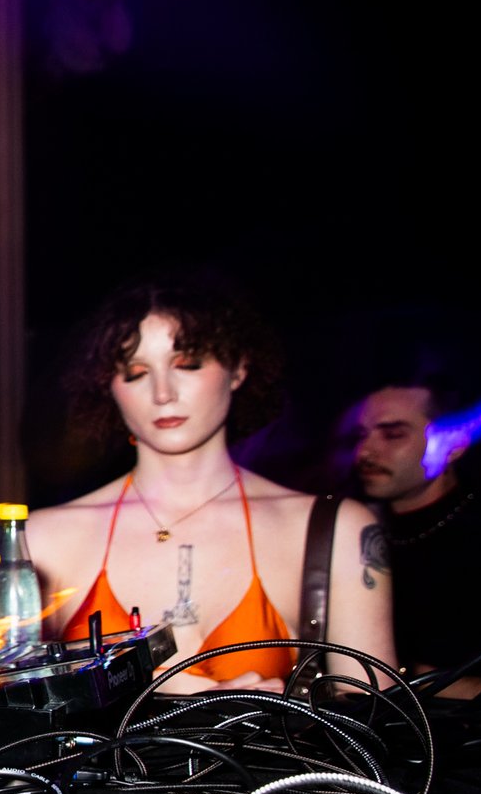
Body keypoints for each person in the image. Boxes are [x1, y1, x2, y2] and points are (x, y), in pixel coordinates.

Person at [33, 279, 394, 693]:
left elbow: (373, 718)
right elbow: (4, 717)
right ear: (108, 386)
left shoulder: (336, 529)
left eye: (188, 363)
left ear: (238, 368)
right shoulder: (41, 539)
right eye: (135, 373)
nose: (163, 393)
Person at [346, 378, 481, 696]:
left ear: (454, 445)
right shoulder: (350, 526)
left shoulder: (473, 535)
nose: (365, 451)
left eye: (393, 434)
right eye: (361, 435)